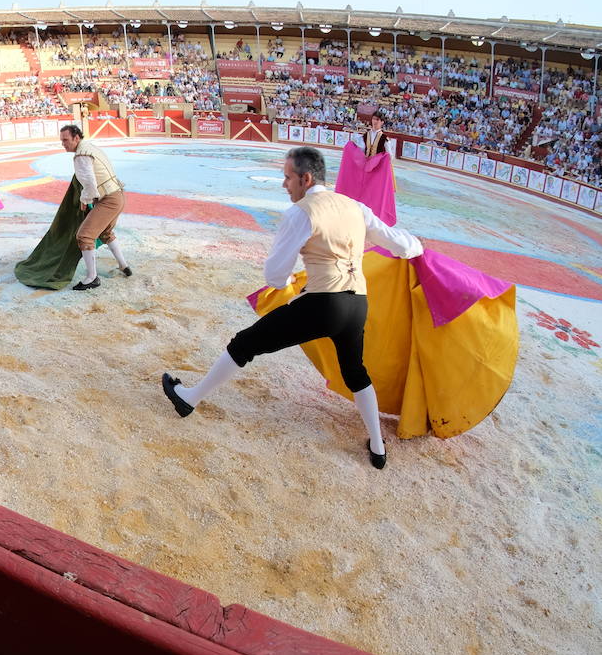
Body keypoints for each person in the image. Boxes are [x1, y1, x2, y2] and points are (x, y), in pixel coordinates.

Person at [161, 147, 424, 470]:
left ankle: (189, 398)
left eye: (288, 177)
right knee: (355, 371)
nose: (284, 184)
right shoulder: (354, 206)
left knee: (244, 344)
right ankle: (378, 446)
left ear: (306, 178)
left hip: (322, 304)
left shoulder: (301, 213)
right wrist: (419, 246)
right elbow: (401, 244)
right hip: (357, 303)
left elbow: (274, 276)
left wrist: (293, 282)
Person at [58, 124, 131, 290]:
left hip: (108, 200)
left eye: (66, 140)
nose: (63, 144)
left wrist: (84, 199)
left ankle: (92, 278)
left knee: (84, 236)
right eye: (62, 140)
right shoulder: (90, 148)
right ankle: (124, 266)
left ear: (76, 138)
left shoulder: (81, 155)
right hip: (118, 195)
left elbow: (90, 185)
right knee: (105, 233)